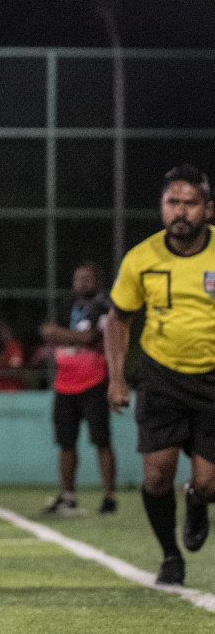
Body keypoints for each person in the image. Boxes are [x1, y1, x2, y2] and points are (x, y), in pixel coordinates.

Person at [105, 165, 215, 585]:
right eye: (173, 203)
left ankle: (197, 498)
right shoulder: (141, 257)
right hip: (161, 376)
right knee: (155, 475)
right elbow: (117, 320)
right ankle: (170, 556)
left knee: (208, 484)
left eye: (190, 203)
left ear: (207, 207)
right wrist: (117, 377)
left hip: (212, 378)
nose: (181, 211)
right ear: (162, 208)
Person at [39, 262, 116, 515]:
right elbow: (46, 331)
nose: (81, 283)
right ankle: (68, 495)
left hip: (94, 381)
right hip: (64, 384)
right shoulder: (66, 307)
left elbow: (94, 337)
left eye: (87, 278)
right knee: (65, 442)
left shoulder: (104, 307)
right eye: (77, 278)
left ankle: (109, 496)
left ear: (99, 282)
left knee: (101, 441)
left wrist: (64, 335)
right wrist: (76, 337)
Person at [0, 321, 26, 391]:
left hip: (10, 390)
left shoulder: (14, 346)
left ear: (10, 331)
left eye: (3, 331)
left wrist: (1, 373)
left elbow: (15, 368)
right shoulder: (4, 348)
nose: (1, 334)